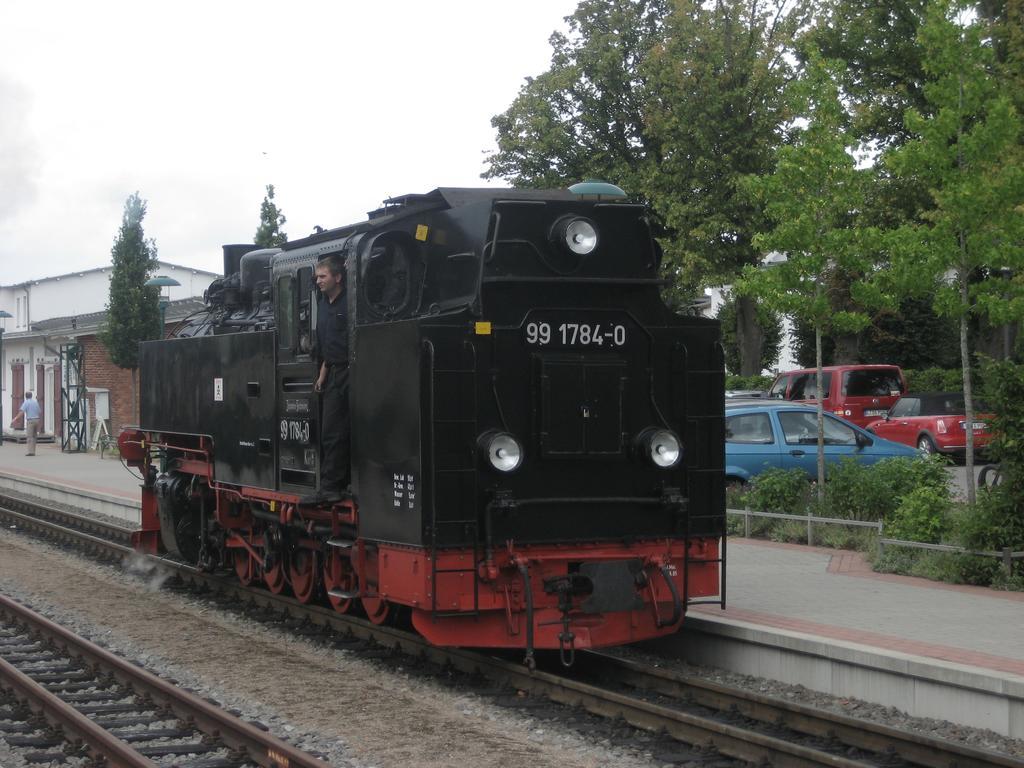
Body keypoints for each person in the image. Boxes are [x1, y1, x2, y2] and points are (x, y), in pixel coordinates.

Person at [302, 254, 351, 505]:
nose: (318, 281)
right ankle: (331, 486)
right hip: (332, 371)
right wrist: (322, 373)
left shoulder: (350, 304)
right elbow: (325, 346)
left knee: (345, 429)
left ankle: (338, 484)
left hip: (352, 371)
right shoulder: (322, 305)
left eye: (323, 276)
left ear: (338, 278)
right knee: (331, 430)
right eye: (317, 277)